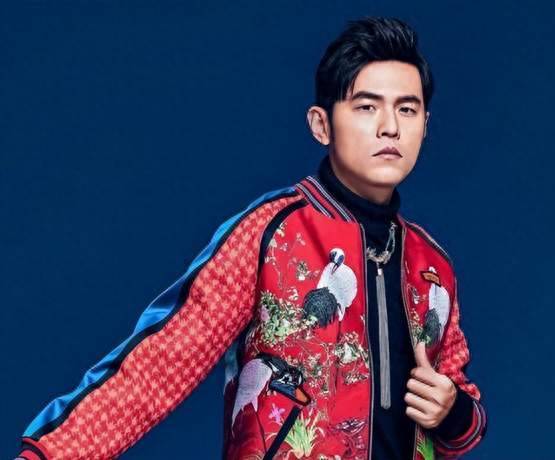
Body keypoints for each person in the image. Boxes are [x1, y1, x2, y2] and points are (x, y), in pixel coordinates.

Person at [16, 16, 487, 460]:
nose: (390, 127)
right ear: (321, 124)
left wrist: (453, 411)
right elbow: (161, 363)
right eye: (367, 106)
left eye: (407, 109)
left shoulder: (431, 265)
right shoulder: (272, 234)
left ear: (425, 125)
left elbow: (462, 412)